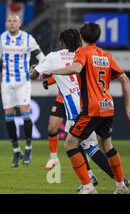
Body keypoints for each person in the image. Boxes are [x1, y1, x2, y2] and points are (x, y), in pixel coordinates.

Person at [32, 28, 129, 192]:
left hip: (80, 106)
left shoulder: (54, 56)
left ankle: (95, 183)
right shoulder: (86, 53)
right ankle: (103, 180)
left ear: (61, 42)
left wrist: (36, 70)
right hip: (99, 102)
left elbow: (37, 74)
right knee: (92, 144)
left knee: (80, 145)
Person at [0, 14, 45, 167]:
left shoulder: (28, 38)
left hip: (23, 82)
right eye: (9, 21)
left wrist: (40, 70)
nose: (12, 23)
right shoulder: (1, 38)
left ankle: (28, 147)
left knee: (25, 114)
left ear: (20, 23)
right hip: (7, 83)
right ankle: (16, 150)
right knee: (8, 117)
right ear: (6, 23)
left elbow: (42, 57)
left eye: (15, 21)